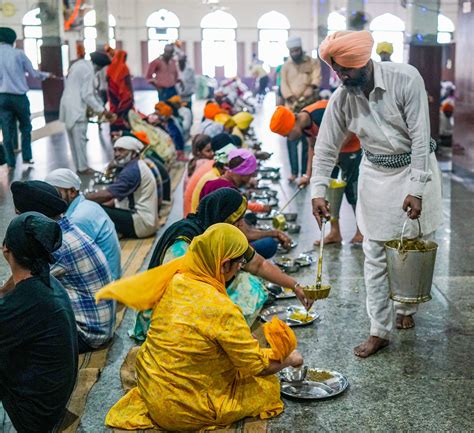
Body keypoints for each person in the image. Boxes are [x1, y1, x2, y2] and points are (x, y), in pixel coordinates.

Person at [95, 224, 304, 431]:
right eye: (239, 263)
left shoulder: (175, 279)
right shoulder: (223, 309)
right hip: (185, 413)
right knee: (267, 387)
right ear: (224, 265)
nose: (240, 268)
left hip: (153, 395)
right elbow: (257, 366)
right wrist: (288, 359)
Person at [312, 30, 443, 357]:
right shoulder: (342, 97)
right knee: (374, 254)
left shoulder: (405, 78)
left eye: (347, 70)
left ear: (364, 62)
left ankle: (406, 309)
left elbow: (419, 137)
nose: (342, 77)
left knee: (412, 244)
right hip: (375, 176)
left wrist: (416, 188)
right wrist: (318, 191)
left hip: (417, 168)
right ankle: (379, 330)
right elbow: (326, 148)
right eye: (337, 71)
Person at [134, 188, 310, 339]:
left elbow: (258, 264)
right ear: (222, 218)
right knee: (242, 289)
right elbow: (177, 292)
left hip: (199, 298)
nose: (242, 225)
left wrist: (295, 286)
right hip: (171, 313)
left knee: (249, 283)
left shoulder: (222, 234)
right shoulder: (185, 239)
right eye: (237, 221)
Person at [10, 180, 115, 353]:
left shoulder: (55, 244)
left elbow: (21, 284)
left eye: (19, 215)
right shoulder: (67, 227)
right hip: (102, 325)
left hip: (89, 334)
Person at [0, 212, 78, 433]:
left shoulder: (27, 302)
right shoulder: (46, 281)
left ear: (6, 249)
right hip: (52, 399)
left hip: (33, 417)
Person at [270, 101, 363, 244]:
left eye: (287, 135)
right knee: (330, 193)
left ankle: (360, 232)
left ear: (293, 124)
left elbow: (351, 127)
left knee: (353, 193)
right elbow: (313, 146)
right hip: (331, 154)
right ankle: (335, 232)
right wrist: (309, 175)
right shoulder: (305, 125)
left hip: (351, 149)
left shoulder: (320, 114)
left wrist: (336, 150)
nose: (288, 139)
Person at [200, 149, 290, 258]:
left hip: (206, 237)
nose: (250, 180)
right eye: (249, 175)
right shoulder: (230, 192)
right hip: (218, 249)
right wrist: (275, 233)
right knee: (269, 244)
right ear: (242, 173)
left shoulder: (211, 183)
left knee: (250, 218)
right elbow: (246, 234)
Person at [45, 168, 122, 280]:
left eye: (55, 192)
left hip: (105, 284)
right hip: (111, 275)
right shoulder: (87, 205)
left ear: (71, 191)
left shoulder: (77, 218)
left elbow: (62, 258)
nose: (50, 197)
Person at [0, 27, 53, 170]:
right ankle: (27, 157)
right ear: (13, 40)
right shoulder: (19, 54)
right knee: (25, 127)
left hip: (2, 98)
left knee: (6, 130)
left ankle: (10, 163)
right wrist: (47, 75)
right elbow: (33, 74)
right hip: (19, 98)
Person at [86, 136, 159, 238]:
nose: (116, 154)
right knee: (104, 207)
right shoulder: (136, 165)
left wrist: (82, 200)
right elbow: (118, 199)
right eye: (115, 150)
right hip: (148, 221)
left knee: (97, 210)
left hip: (142, 224)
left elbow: (108, 194)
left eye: (121, 150)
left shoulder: (132, 171)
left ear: (133, 153)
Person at [60, 51, 114, 174]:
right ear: (99, 66)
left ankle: (79, 167)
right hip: (77, 107)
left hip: (67, 104)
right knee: (80, 139)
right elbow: (87, 95)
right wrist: (103, 111)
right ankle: (83, 168)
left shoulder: (80, 64)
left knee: (73, 140)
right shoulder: (89, 71)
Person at [281, 35, 322, 181]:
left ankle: (306, 172)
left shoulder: (312, 62)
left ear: (301, 49)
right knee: (291, 139)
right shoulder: (286, 66)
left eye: (297, 50)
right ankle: (293, 172)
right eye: (293, 51)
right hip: (291, 107)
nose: (295, 53)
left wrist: (311, 87)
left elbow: (317, 77)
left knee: (308, 141)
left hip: (309, 107)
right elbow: (283, 84)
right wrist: (291, 97)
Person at [107, 49, 134, 134]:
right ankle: (125, 132)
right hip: (124, 95)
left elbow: (107, 81)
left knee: (114, 111)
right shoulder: (124, 67)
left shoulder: (110, 67)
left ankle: (114, 131)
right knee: (124, 112)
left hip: (113, 94)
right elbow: (128, 82)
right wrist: (132, 95)